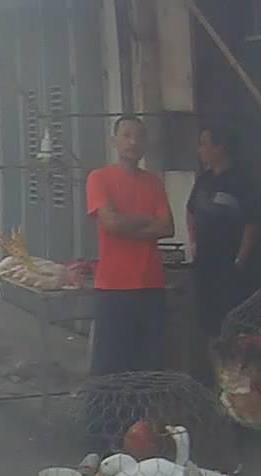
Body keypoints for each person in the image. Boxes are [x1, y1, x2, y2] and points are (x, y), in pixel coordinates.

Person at [85, 115, 175, 376]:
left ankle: (145, 406)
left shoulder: (154, 183)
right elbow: (111, 223)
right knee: (109, 368)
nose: (133, 142)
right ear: (114, 141)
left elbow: (168, 228)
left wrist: (126, 224)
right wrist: (147, 221)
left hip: (151, 286)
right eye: (126, 135)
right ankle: (109, 406)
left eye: (139, 136)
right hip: (113, 288)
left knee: (150, 366)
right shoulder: (99, 178)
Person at [187, 123, 260, 339]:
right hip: (205, 265)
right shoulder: (203, 180)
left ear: (219, 147)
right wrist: (193, 243)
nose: (200, 149)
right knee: (207, 324)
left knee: (232, 324)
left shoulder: (244, 181)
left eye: (204, 144)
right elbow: (190, 210)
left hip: (230, 267)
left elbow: (252, 223)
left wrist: (239, 260)